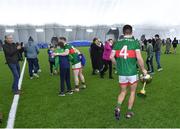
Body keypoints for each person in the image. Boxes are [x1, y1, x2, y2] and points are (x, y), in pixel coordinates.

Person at [110, 25, 147, 120]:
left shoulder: (117, 43)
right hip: (132, 73)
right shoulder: (135, 43)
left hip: (121, 73)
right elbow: (139, 58)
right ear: (131, 32)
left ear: (123, 32)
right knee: (132, 92)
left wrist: (117, 66)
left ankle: (118, 108)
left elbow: (111, 57)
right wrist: (143, 69)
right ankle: (129, 113)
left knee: (122, 92)